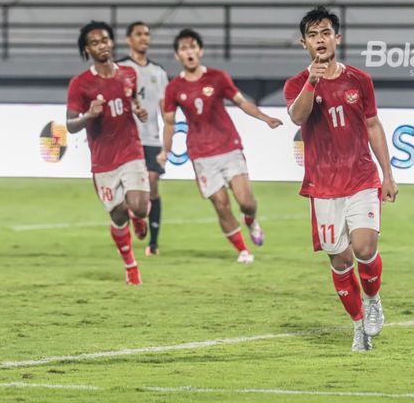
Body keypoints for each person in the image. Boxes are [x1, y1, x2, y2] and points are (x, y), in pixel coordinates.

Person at [283, 6, 398, 351]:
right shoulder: (296, 84)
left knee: (364, 246)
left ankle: (373, 300)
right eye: (313, 35)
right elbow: (297, 117)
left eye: (326, 33)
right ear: (304, 43)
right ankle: (359, 325)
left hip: (361, 176)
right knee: (339, 259)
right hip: (323, 185)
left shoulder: (359, 80)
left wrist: (388, 174)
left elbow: (374, 125)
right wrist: (313, 81)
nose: (320, 40)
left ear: (337, 38)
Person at [156, 28, 283, 264]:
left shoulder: (217, 77)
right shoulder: (173, 88)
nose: (189, 51)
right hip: (201, 154)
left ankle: (251, 220)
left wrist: (264, 118)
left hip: (228, 147)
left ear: (200, 51)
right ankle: (244, 251)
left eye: (193, 46)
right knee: (221, 205)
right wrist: (165, 150)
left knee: (246, 201)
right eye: (184, 48)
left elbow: (242, 103)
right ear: (177, 56)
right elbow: (170, 123)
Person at [66, 20, 150, 285]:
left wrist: (139, 109)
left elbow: (132, 98)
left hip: (131, 150)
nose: (101, 45)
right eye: (94, 43)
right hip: (103, 161)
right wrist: (88, 115)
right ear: (86, 50)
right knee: (117, 215)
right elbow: (69, 124)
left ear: (112, 42)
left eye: (104, 40)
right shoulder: (80, 84)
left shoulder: (128, 73)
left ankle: (139, 217)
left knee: (138, 205)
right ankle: (130, 266)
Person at [118, 21, 169, 256]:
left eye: (147, 34)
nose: (144, 38)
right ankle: (132, 229)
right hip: (126, 139)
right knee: (130, 193)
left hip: (151, 139)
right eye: (138, 34)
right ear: (129, 40)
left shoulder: (158, 73)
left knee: (153, 183)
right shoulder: (119, 69)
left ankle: (154, 243)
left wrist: (165, 146)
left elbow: (166, 112)